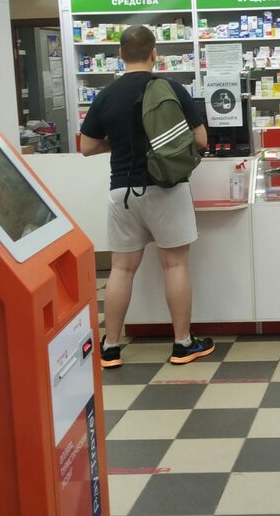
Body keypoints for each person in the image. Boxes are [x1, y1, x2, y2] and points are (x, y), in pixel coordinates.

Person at [80, 24, 213, 369]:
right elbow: (201, 141)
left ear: (119, 54)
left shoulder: (106, 95)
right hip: (167, 188)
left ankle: (111, 347)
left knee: (121, 269)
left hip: (122, 190)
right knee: (175, 264)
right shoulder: (170, 88)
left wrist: (120, 145)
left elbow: (87, 146)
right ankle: (182, 344)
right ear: (155, 53)